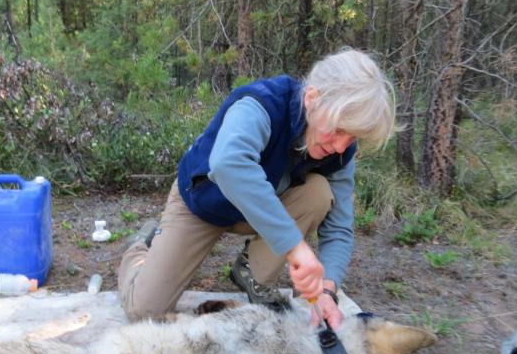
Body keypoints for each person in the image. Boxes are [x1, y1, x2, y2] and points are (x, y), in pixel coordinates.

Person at [117, 48, 395, 329]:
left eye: (352, 137)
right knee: (144, 313)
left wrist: (327, 291)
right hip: (202, 204)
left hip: (259, 211)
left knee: (319, 193)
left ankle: (250, 271)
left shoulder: (340, 149)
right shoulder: (262, 102)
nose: (340, 146)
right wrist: (295, 247)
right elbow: (228, 165)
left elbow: (338, 228)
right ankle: (141, 247)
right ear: (312, 98)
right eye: (337, 130)